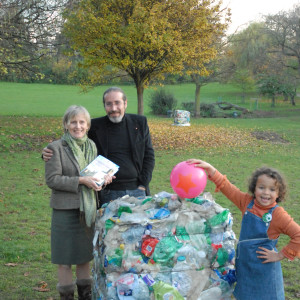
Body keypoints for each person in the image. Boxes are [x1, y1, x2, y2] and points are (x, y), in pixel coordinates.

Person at [187, 159, 300, 300]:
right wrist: (211, 170)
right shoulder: (247, 203)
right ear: (254, 188)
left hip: (265, 272)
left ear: (279, 193)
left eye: (272, 189)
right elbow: (228, 188)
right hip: (245, 267)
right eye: (261, 187)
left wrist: (279, 255)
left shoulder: (278, 214)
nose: (266, 193)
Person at [43, 87, 155, 207]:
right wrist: (48, 152)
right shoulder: (95, 126)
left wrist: (143, 185)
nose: (113, 108)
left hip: (137, 190)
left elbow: (149, 156)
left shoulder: (139, 122)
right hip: (107, 191)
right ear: (104, 105)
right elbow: (74, 140)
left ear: (125, 103)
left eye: (117, 103)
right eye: (109, 104)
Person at [45, 105, 113, 300]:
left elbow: (95, 173)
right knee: (64, 260)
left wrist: (103, 179)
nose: (78, 126)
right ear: (66, 124)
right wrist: (81, 181)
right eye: (73, 122)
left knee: (84, 258)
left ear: (87, 125)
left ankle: (85, 296)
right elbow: (52, 180)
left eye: (82, 122)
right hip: (64, 211)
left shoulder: (91, 145)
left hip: (87, 210)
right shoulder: (55, 148)